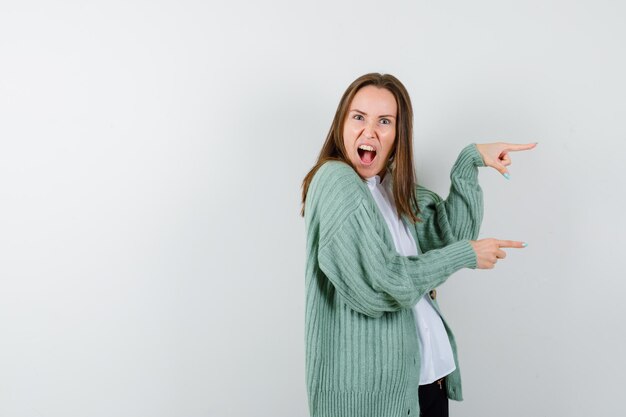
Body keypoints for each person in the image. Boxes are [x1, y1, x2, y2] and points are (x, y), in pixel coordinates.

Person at [300, 73, 536, 417]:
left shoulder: (391, 186)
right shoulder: (335, 181)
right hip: (374, 398)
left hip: (427, 380)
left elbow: (449, 236)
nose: (370, 131)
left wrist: (470, 162)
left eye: (385, 121)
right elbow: (380, 282)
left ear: (398, 134)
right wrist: (466, 255)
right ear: (342, 124)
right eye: (358, 117)